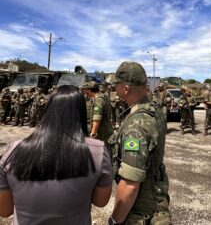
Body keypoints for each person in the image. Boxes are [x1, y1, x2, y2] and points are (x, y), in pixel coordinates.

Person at [0, 85, 112, 224]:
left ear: (48, 110)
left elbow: (4, 211)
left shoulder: (13, 150)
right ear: (82, 112)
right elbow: (100, 202)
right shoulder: (98, 151)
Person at [108, 61, 171, 225]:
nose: (115, 89)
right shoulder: (154, 110)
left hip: (141, 212)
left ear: (126, 89)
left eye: (117, 85)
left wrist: (115, 220)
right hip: (156, 198)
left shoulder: (136, 126)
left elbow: (130, 184)